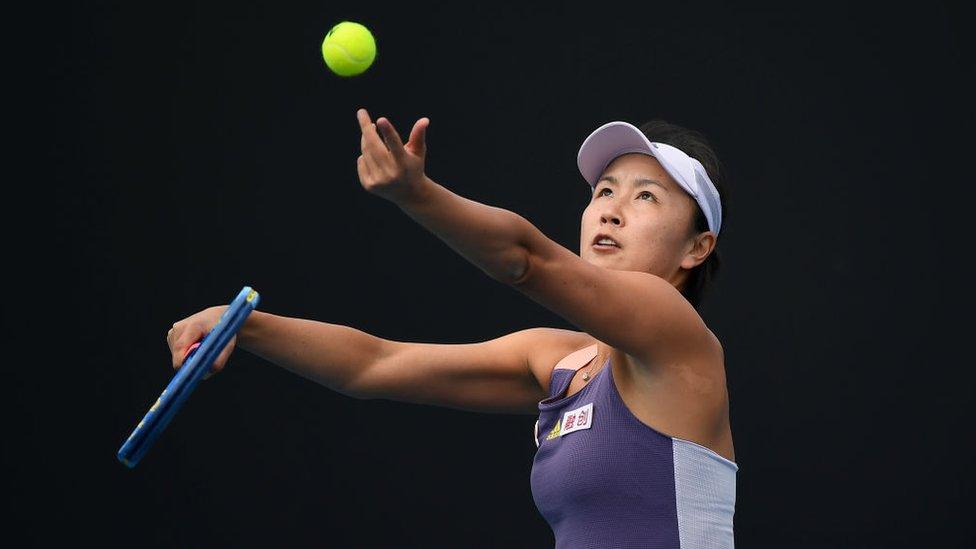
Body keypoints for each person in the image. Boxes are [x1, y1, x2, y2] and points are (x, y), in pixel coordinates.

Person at [167, 109, 737, 547]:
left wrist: (418, 196)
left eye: (646, 197)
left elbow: (526, 260)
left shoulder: (676, 335)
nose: (611, 210)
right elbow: (372, 365)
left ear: (697, 247)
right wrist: (240, 323)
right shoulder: (561, 364)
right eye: (604, 191)